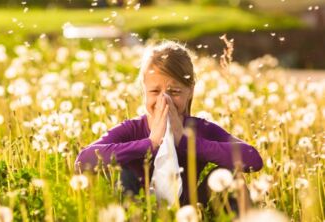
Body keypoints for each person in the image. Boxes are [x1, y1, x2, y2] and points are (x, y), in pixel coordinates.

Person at [74, 41, 263, 208]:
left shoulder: (199, 128)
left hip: (190, 209)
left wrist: (186, 141)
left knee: (231, 176)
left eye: (174, 91)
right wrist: (150, 143)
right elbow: (83, 161)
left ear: (190, 91)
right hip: (139, 209)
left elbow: (253, 159)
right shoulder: (132, 129)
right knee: (122, 176)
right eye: (155, 91)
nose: (164, 100)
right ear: (144, 91)